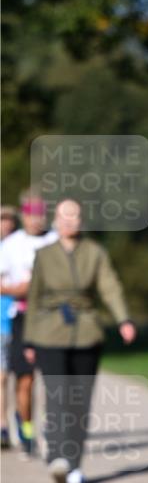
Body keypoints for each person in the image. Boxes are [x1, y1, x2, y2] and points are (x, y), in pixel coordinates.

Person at [22, 199, 136, 483]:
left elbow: (110, 287)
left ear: (82, 220)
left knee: (80, 401)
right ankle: (58, 454)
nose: (70, 222)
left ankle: (73, 463)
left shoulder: (95, 252)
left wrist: (123, 319)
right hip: (49, 332)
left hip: (86, 331)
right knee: (58, 395)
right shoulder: (44, 254)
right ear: (56, 221)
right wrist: (30, 339)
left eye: (75, 216)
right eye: (64, 217)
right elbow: (34, 298)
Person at [0, 191, 57, 457]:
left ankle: (55, 427)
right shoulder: (11, 244)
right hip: (23, 317)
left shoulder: (55, 239)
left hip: (53, 318)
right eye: (32, 215)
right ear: (24, 216)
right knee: (25, 379)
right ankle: (26, 427)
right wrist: (22, 288)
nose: (36, 220)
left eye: (40, 215)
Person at [0, 205, 19, 448]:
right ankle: (3, 426)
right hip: (1, 322)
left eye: (8, 220)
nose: (5, 224)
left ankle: (24, 420)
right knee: (2, 377)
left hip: (22, 319)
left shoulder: (22, 249)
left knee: (24, 379)